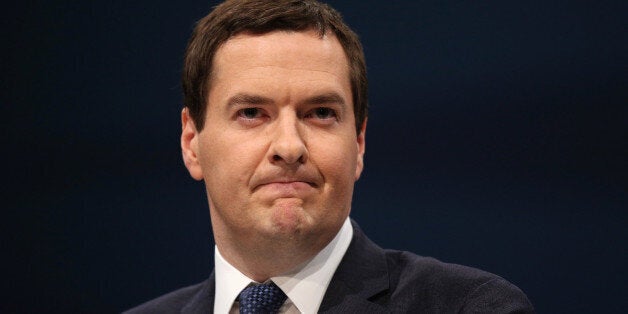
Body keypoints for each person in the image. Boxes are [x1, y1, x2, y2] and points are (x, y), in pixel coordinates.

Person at [126, 0, 534, 313]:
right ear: (191, 142)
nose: (289, 146)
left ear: (358, 142)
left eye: (320, 113)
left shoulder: (469, 306)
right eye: (251, 113)